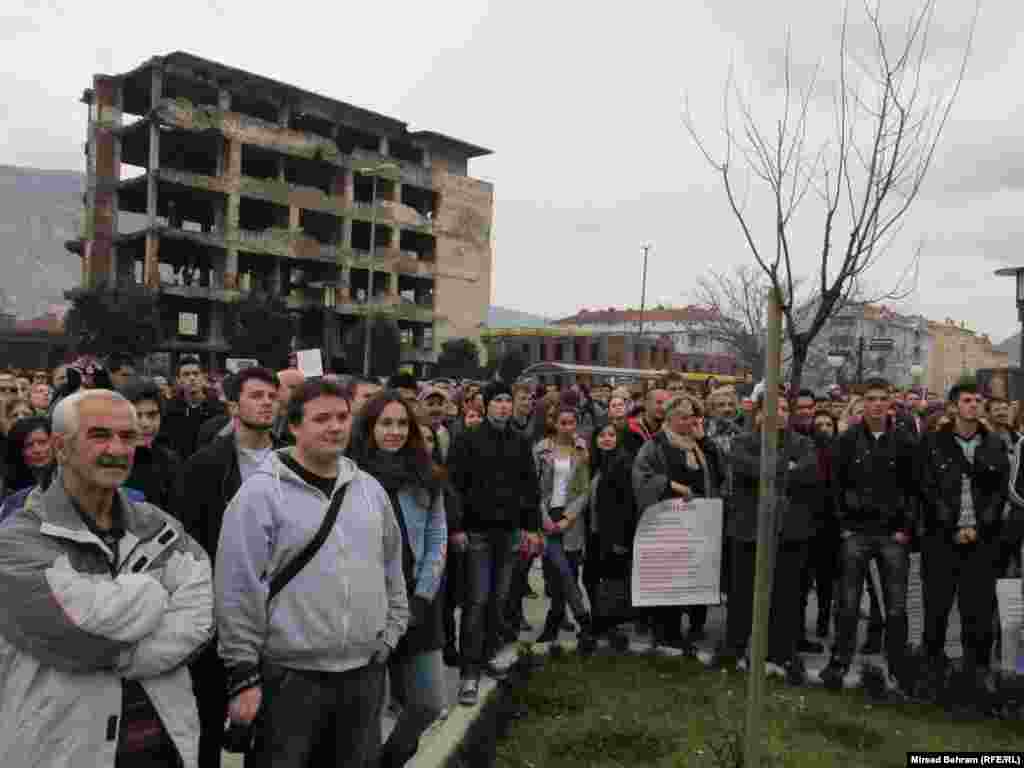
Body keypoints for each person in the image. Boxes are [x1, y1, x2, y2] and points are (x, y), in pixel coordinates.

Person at [0, 389, 213, 766]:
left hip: (164, 746)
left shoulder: (160, 526)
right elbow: (74, 631)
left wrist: (111, 612)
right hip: (61, 751)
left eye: (128, 436)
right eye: (99, 435)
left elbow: (200, 618)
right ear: (59, 447)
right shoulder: (16, 541)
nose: (117, 448)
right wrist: (153, 593)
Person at [217, 378, 408, 768]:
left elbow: (392, 566)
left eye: (342, 417)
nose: (336, 426)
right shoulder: (259, 495)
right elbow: (237, 589)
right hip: (291, 679)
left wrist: (391, 632)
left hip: (363, 673)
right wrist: (243, 675)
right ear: (294, 427)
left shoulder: (369, 490)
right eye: (322, 418)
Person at [174, 366, 282, 768]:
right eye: (257, 395)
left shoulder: (291, 460)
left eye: (273, 395)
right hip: (219, 607)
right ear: (234, 404)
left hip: (277, 609)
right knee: (209, 712)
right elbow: (189, 537)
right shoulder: (206, 465)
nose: (267, 402)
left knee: (269, 721)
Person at [348, 392, 448, 767]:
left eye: (402, 423)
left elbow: (437, 538)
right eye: (386, 423)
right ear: (369, 427)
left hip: (419, 603)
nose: (394, 431)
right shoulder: (350, 475)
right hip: (368, 607)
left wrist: (422, 595)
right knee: (366, 715)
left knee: (429, 703)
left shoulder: (427, 475)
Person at [448, 380, 543, 706]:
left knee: (499, 601)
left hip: (509, 533)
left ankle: (488, 656)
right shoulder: (467, 440)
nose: (503, 405)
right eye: (497, 400)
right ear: (485, 405)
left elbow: (529, 488)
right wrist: (456, 526)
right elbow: (454, 487)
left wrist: (531, 528)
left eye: (507, 400)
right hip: (477, 534)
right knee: (476, 602)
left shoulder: (520, 442)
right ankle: (468, 674)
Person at [821, 378, 918, 692]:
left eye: (882, 398)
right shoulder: (847, 439)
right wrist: (843, 525)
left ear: (891, 402)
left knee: (896, 605)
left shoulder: (905, 440)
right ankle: (839, 661)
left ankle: (898, 666)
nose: (877, 404)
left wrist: (906, 528)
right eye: (871, 399)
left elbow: (915, 488)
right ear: (862, 403)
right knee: (848, 603)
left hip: (893, 534)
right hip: (856, 531)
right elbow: (835, 485)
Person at [919, 383, 1009, 696]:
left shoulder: (994, 445)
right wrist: (951, 527)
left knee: (979, 611)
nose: (973, 405)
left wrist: (980, 528)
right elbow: (928, 490)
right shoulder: (933, 444)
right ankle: (931, 670)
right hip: (942, 540)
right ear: (954, 407)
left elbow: (998, 494)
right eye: (967, 400)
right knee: (937, 608)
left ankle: (977, 672)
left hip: (982, 541)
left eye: (978, 401)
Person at [725, 394, 820, 683]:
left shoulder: (802, 443)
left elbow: (808, 472)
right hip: (749, 529)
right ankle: (736, 650)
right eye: (772, 408)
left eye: (782, 408)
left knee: (786, 595)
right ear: (758, 413)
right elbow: (747, 468)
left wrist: (777, 470)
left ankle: (781, 652)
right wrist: (786, 468)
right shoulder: (742, 442)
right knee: (742, 593)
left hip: (789, 531)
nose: (778, 413)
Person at [632, 394, 724, 652]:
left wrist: (704, 439)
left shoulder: (700, 446)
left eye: (692, 418)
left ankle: (694, 629)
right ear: (670, 418)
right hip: (666, 525)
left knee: (693, 575)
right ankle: (665, 634)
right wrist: (672, 486)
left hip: (696, 524)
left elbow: (720, 473)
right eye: (683, 418)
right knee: (669, 579)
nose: (688, 423)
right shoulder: (656, 445)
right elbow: (641, 477)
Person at [533, 404, 595, 650]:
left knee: (568, 571)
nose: (567, 427)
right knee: (558, 572)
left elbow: (583, 489)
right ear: (555, 424)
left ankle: (554, 622)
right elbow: (532, 485)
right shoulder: (542, 449)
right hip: (547, 516)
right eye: (563, 422)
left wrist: (569, 517)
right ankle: (583, 621)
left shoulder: (581, 450)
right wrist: (544, 517)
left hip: (571, 519)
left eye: (572, 423)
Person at [583, 422, 639, 650]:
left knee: (610, 580)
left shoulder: (623, 463)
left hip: (613, 535)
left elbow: (627, 505)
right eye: (602, 435)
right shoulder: (598, 463)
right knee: (591, 577)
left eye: (611, 435)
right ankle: (601, 620)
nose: (607, 439)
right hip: (595, 532)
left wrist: (622, 540)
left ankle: (609, 625)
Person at [162, 356, 227, 459]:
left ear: (203, 377)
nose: (192, 378)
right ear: (178, 380)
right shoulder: (168, 409)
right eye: (186, 375)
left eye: (196, 374)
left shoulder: (219, 409)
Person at [1, 415, 55, 499]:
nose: (37, 450)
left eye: (42, 442)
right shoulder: (11, 498)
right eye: (29, 445)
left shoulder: (67, 482)